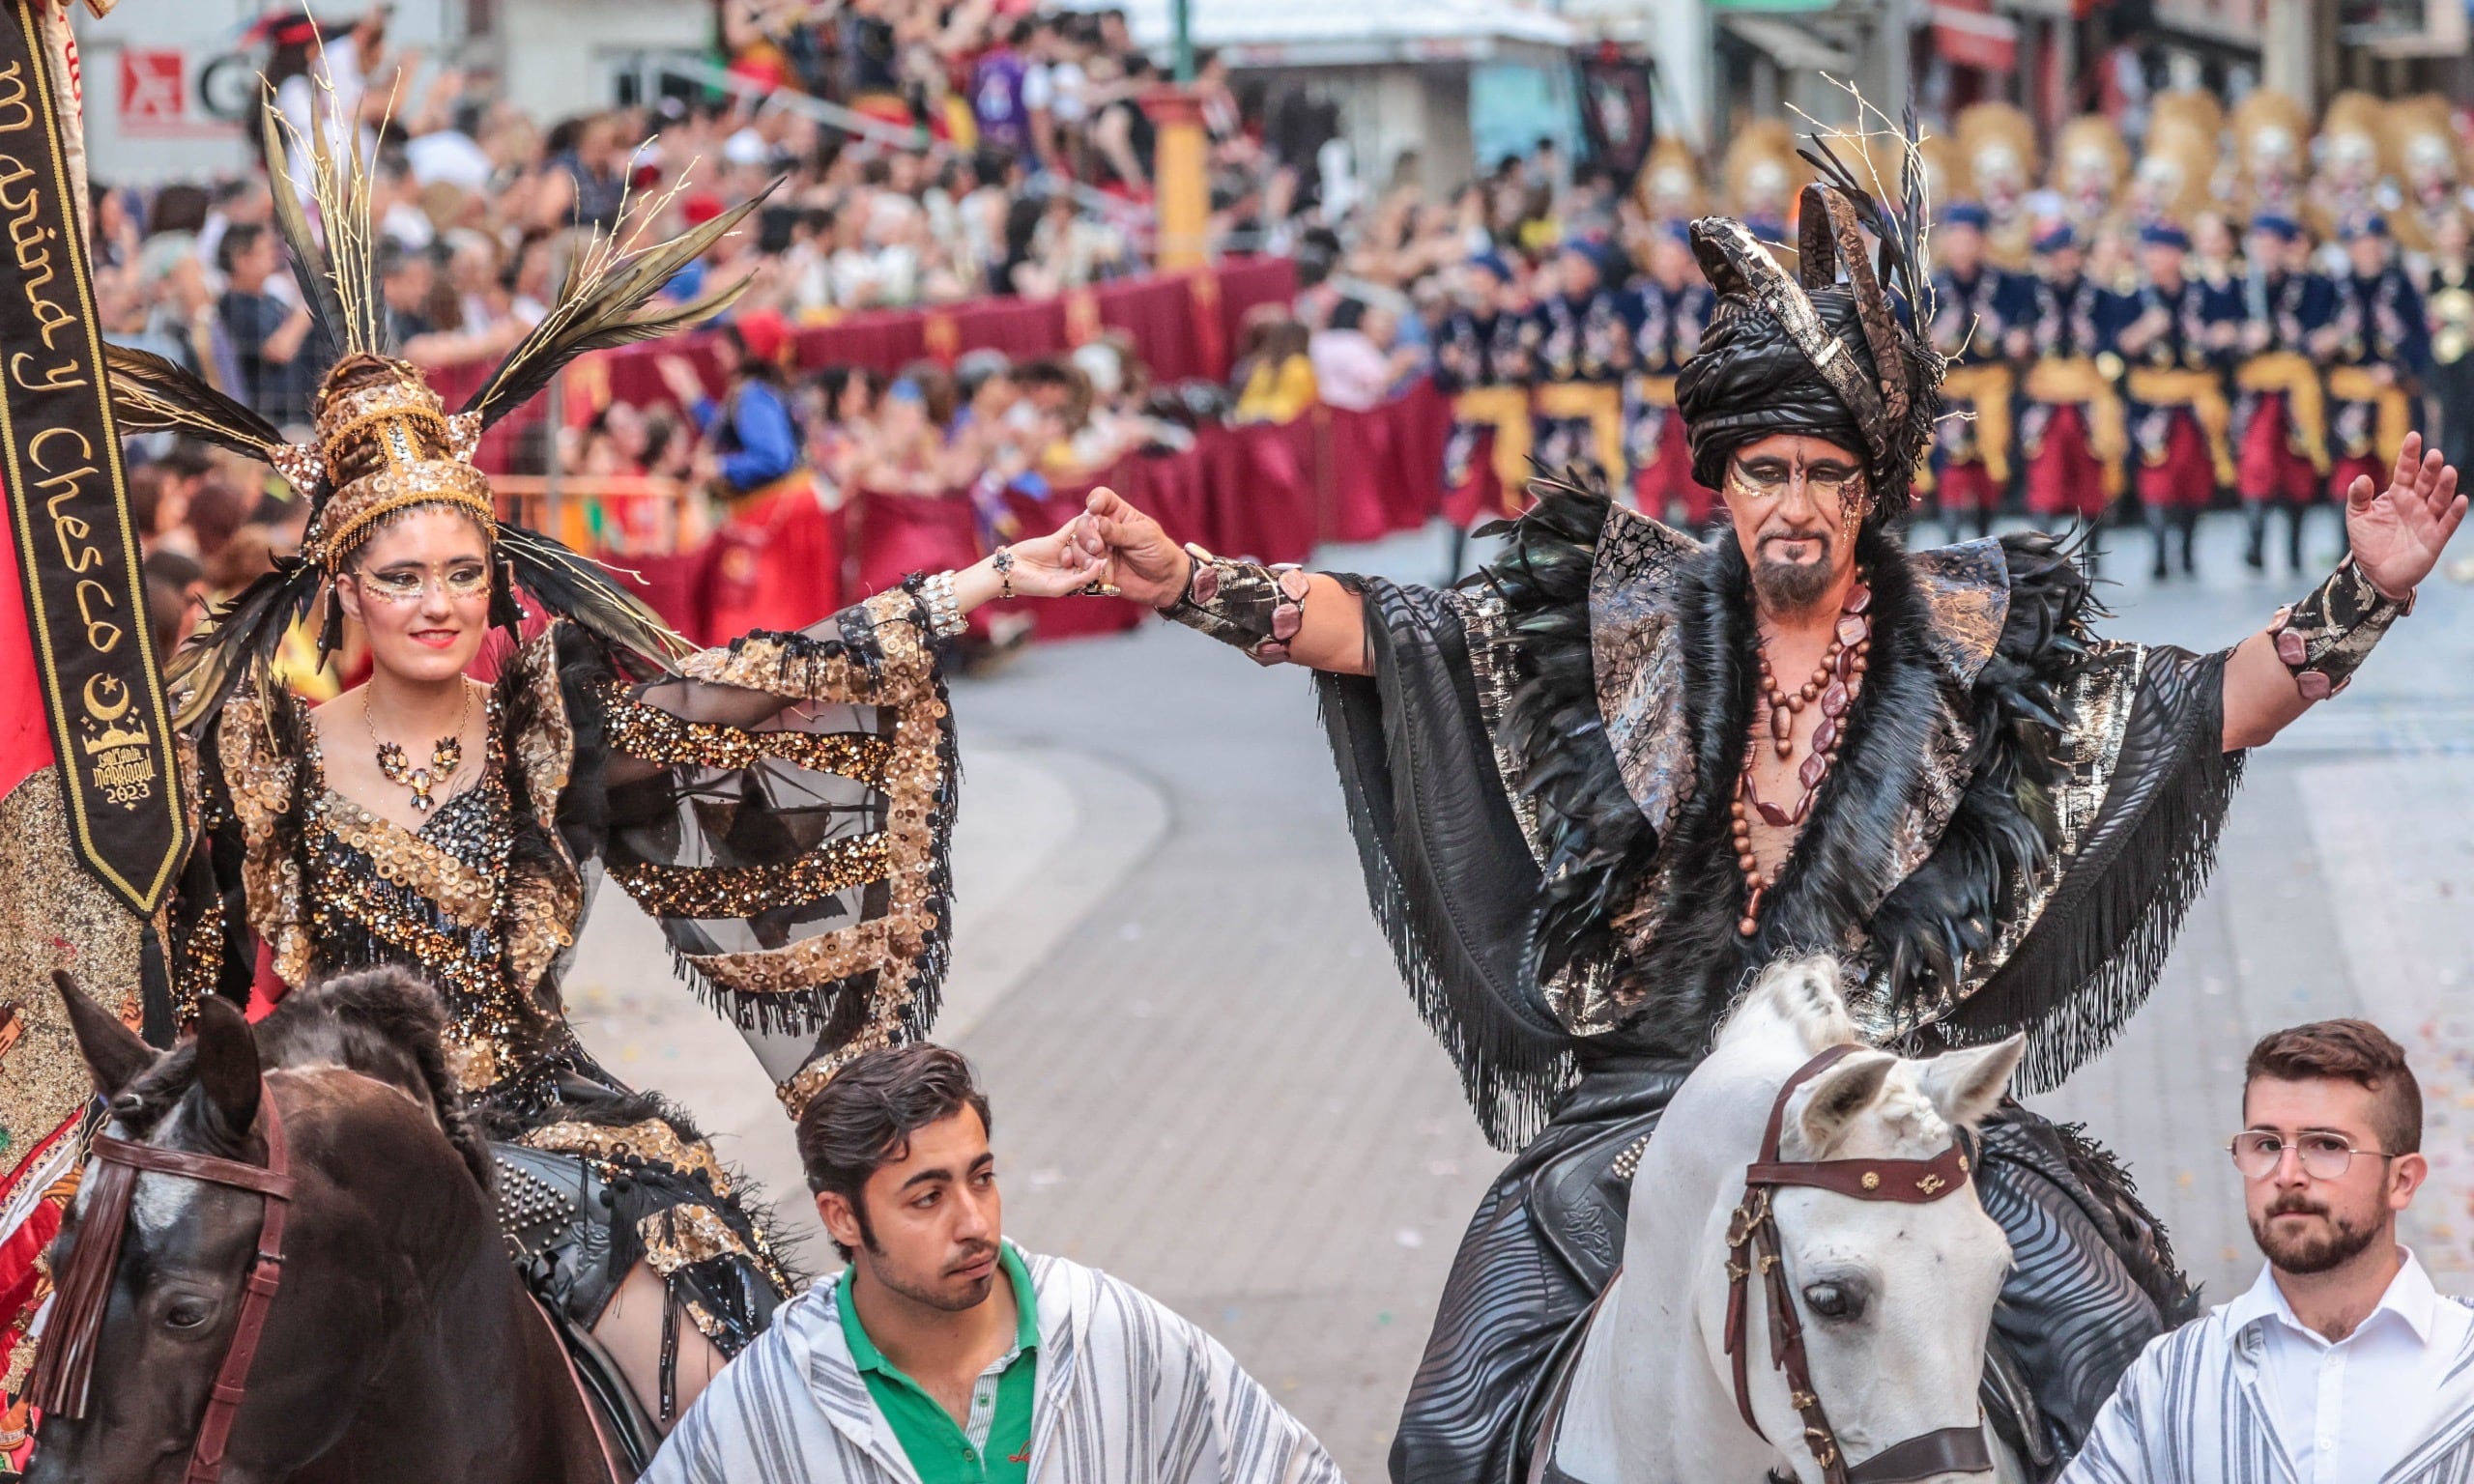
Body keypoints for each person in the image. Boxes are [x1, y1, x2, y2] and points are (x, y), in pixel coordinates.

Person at [1075, 126, 2469, 1483]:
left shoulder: (1975, 636)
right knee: (1445, 1435)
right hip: (1647, 1106)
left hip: (1899, 1102)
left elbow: (2194, 704)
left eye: (1825, 475)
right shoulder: (1624, 617)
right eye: (1765, 473)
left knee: (2117, 1353)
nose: (1794, 504)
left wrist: (2371, 595)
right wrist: (1187, 580)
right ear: (1723, 482)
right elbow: (1395, 632)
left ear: (1869, 491)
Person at [110, 107, 1110, 1464]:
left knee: (732, 1409)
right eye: (401, 577)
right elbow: (188, 984)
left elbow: (761, 678)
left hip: (557, 1144)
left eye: (463, 573)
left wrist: (982, 582)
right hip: (338, 1155)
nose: (437, 604)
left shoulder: (555, 725)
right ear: (340, 584)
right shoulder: (258, 756)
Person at [643, 1044, 1344, 1484]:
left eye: (981, 1178)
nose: (975, 1223)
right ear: (842, 1218)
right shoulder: (772, 1398)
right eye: (927, 1198)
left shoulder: (1113, 1333)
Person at [2064, 1021, 2474, 1481]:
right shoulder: (2171, 1378)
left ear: (2401, 1181)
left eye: (2326, 1145)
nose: (2287, 1173)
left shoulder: (2464, 1368)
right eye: (2266, 1144)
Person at [656, 311, 832, 641]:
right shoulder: (761, 390)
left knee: (761, 614)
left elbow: (774, 457)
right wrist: (691, 394)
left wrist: (720, 468)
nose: (717, 349)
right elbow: (734, 433)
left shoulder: (752, 394)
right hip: (792, 510)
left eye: (726, 344)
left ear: (745, 350)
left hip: (776, 516)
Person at [2105, 221, 2239, 580]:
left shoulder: (2206, 292)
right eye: (2150, 251)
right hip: (2153, 397)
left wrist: (2221, 337)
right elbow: (2115, 347)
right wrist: (2143, 331)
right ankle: (2160, 548)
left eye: (2163, 251)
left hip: (2195, 397)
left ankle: (2188, 547)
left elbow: (2228, 332)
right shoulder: (2130, 294)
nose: (2156, 259)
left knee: (2194, 477)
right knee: (2156, 476)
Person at [2231, 215, 2339, 575]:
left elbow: (2329, 330)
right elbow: (2215, 333)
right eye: (2260, 244)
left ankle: (2294, 547)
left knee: (2299, 468)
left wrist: (2305, 337)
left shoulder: (2313, 286)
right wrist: (2241, 337)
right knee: (2256, 464)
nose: (2266, 252)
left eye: (2273, 244)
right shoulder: (2241, 285)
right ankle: (2254, 539)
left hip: (2297, 390)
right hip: (2259, 390)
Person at [2015, 223, 2126, 555]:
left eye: (2070, 254)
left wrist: (2097, 341)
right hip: (2046, 396)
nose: (2065, 261)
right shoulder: (2031, 294)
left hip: (2088, 395)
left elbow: (2113, 341)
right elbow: (2019, 337)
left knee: (2092, 474)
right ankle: (2042, 551)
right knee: (2046, 473)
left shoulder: (2100, 295)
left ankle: (2095, 548)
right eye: (2057, 255)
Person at [1927, 201, 2028, 540]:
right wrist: (1933, 341)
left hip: (1993, 387)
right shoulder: (1928, 289)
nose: (1963, 246)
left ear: (1984, 242)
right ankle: (1948, 533)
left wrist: (2012, 337)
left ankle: (1986, 527)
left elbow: (2023, 336)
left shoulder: (2009, 287)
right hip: (1949, 389)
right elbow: (1913, 343)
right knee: (1950, 458)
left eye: (1970, 238)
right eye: (1956, 238)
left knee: (1989, 463)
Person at [2326, 216, 2431, 517]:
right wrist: (2325, 340)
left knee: (2396, 463)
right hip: (2351, 391)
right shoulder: (2336, 287)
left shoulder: (2400, 285)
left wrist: (2396, 370)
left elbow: (2420, 340)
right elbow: (2315, 333)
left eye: (2371, 244)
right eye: (2358, 246)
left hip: (2392, 390)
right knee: (2351, 466)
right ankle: (2345, 543)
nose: (2365, 251)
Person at [1623, 224, 1717, 529]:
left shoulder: (1707, 301)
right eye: (1661, 255)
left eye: (1672, 255)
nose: (1666, 262)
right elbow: (1621, 350)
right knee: (1650, 484)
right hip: (1651, 406)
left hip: (1693, 404)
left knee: (1698, 488)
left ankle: (1699, 564)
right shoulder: (1634, 299)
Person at [1527, 240, 1629, 482]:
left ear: (1593, 271)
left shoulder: (1614, 306)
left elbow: (1625, 360)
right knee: (1553, 472)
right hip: (1556, 407)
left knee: (1600, 475)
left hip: (1598, 406)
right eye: (1566, 267)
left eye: (1578, 266)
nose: (1570, 273)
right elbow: (1527, 357)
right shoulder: (1543, 310)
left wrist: (1620, 345)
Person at [2424, 208, 2474, 462]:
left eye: (2457, 233)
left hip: (2470, 359)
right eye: (2446, 233)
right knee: (2444, 416)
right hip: (2441, 360)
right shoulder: (2429, 276)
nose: (2452, 239)